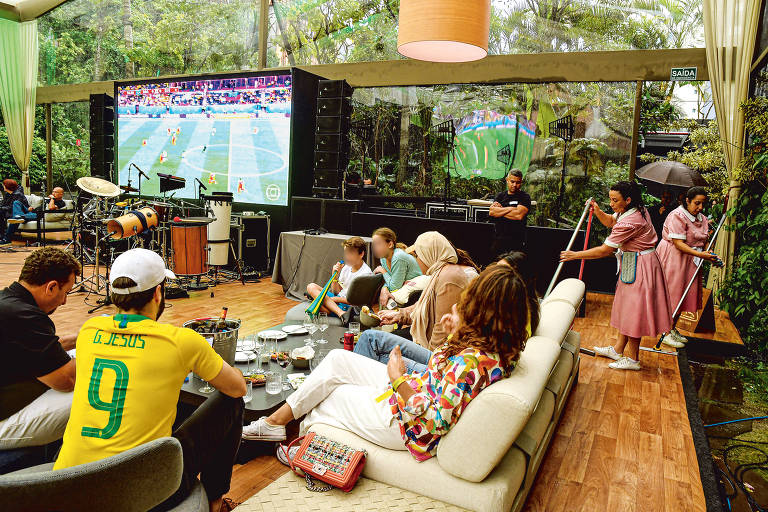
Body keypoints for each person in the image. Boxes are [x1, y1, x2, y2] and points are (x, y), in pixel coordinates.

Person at [242, 265, 529, 466]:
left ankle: (302, 449)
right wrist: (457, 330)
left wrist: (398, 380)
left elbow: (435, 421)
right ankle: (273, 423)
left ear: (483, 311)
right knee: (338, 360)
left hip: (405, 425)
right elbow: (448, 376)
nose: (463, 304)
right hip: (412, 395)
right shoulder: (496, 348)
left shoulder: (472, 362)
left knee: (329, 395)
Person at [53, 249, 246, 512]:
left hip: (69, 486)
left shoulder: (90, 330)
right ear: (158, 294)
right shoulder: (182, 341)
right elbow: (237, 388)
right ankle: (215, 502)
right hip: (143, 493)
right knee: (232, 403)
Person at [355, 250, 539, 373]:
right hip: (446, 356)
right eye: (495, 270)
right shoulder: (499, 309)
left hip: (443, 367)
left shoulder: (515, 321)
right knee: (369, 339)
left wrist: (398, 380)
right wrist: (456, 331)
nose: (492, 277)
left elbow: (477, 355)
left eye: (502, 272)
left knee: (374, 351)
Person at [560, 181, 672, 371]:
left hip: (642, 267)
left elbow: (604, 251)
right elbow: (611, 221)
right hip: (634, 262)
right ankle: (618, 349)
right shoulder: (633, 210)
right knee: (628, 308)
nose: (611, 204)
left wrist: (574, 255)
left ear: (627, 200)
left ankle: (633, 359)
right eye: (610, 199)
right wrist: (596, 210)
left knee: (635, 311)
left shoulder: (632, 221)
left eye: (615, 200)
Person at [0, 247, 80, 450]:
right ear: (51, 287)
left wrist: (80, 338)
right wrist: (102, 346)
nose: (64, 302)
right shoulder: (25, 316)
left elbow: (35, 347)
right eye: (66, 293)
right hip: (3, 421)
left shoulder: (8, 303)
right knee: (101, 388)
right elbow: (66, 380)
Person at [364, 231, 480, 354]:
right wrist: (399, 315)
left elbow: (441, 332)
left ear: (429, 254)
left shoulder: (449, 278)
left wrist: (428, 365)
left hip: (433, 357)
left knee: (371, 340)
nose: (417, 261)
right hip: (429, 349)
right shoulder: (439, 273)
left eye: (418, 256)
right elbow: (422, 306)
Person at [656, 186, 719, 348]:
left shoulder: (702, 218)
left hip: (692, 260)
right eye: (697, 203)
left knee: (685, 295)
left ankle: (672, 327)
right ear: (687, 201)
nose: (700, 207)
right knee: (673, 294)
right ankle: (666, 331)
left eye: (703, 204)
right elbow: (678, 243)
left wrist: (710, 254)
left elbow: (704, 241)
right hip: (674, 258)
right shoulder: (677, 216)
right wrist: (701, 255)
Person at [305, 236, 372, 324]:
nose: (347, 257)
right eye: (346, 253)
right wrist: (335, 275)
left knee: (317, 304)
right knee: (311, 286)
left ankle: (332, 307)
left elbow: (357, 302)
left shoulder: (366, 274)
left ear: (361, 254)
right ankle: (342, 314)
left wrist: (334, 299)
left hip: (348, 306)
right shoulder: (346, 267)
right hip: (338, 301)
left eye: (350, 253)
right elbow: (336, 291)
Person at [371, 227, 422, 307]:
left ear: (390, 244)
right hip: (401, 290)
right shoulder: (383, 259)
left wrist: (383, 272)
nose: (375, 248)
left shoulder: (398, 257)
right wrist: (384, 288)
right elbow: (391, 280)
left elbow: (394, 286)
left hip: (414, 294)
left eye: (379, 244)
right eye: (374, 244)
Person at [489, 169, 531, 256]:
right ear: (507, 180)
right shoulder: (500, 196)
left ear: (521, 182)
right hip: (499, 240)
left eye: (518, 182)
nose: (515, 185)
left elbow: (518, 215)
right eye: (512, 181)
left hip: (516, 242)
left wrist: (501, 210)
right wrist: (512, 208)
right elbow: (492, 212)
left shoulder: (525, 197)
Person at [1, 179, 36, 244]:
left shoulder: (18, 195)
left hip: (21, 212)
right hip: (12, 212)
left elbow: (13, 207)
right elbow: (4, 205)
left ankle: (6, 238)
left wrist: (2, 208)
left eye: (4, 185)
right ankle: (2, 236)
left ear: (7, 186)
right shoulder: (7, 194)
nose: (3, 186)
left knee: (14, 209)